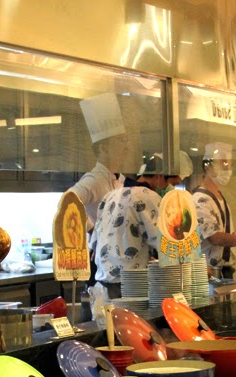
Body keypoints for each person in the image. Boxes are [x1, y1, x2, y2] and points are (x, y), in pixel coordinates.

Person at [92, 154, 171, 298]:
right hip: (130, 286)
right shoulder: (148, 196)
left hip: (103, 285)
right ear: (159, 176)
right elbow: (165, 242)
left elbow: (95, 243)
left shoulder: (109, 196)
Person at [70, 94, 129, 284]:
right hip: (100, 261)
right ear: (103, 148)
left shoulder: (118, 179)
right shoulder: (95, 179)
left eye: (125, 140)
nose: (126, 147)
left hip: (118, 259)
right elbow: (69, 200)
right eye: (120, 140)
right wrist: (92, 229)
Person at [193, 143, 236, 280]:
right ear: (208, 166)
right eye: (223, 164)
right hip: (208, 273)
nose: (228, 170)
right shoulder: (200, 199)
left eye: (230, 165)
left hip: (225, 271)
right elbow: (215, 237)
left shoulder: (219, 197)